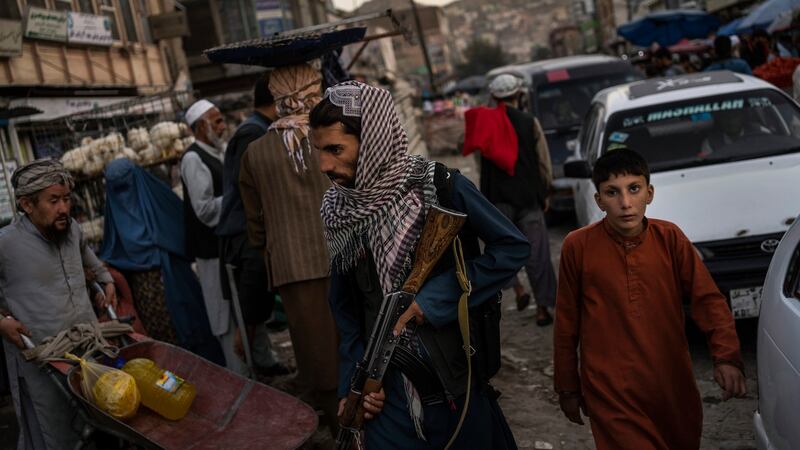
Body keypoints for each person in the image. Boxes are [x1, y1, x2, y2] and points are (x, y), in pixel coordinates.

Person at [315, 80, 527, 449]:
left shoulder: (437, 186)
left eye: (336, 149)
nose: (324, 165)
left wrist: (433, 301)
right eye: (318, 150)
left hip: (454, 384)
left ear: (374, 140)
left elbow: (510, 248)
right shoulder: (339, 212)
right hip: (388, 402)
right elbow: (346, 314)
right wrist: (355, 387)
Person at [553, 148, 746, 450]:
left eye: (634, 189)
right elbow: (566, 323)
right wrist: (567, 387)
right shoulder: (578, 246)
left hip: (671, 386)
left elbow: (708, 300)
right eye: (612, 192)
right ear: (599, 200)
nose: (625, 203)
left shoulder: (670, 239)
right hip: (610, 390)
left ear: (650, 193)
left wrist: (726, 357)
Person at [238, 63, 340, 434]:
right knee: (354, 338)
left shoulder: (255, 153)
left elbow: (255, 223)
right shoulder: (334, 138)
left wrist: (270, 247)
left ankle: (334, 422)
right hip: (344, 254)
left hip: (292, 266)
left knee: (314, 350)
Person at [0, 159, 117, 450]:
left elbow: (90, 259)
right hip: (42, 359)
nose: (63, 208)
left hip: (88, 348)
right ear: (27, 205)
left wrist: (107, 281)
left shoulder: (71, 229)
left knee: (103, 421)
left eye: (66, 199)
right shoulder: (5, 244)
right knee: (55, 432)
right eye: (53, 201)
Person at [100, 158, 224, 364]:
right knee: (168, 338)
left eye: (126, 185)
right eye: (118, 189)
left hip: (164, 282)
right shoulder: (153, 199)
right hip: (152, 287)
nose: (124, 196)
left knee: (184, 335)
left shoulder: (129, 209)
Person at [463, 73, 557, 325]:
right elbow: (542, 161)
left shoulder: (485, 122)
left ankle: (518, 290)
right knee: (538, 254)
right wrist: (545, 191)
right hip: (529, 198)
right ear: (519, 94)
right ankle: (543, 309)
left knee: (500, 250)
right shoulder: (530, 122)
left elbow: (479, 165)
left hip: (498, 201)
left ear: (493, 96)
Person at [216, 74, 288, 377]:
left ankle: (261, 360)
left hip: (250, 226)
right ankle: (249, 360)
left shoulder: (260, 129)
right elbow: (250, 186)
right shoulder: (251, 133)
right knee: (252, 298)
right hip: (244, 229)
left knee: (258, 299)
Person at [180, 99, 240, 370]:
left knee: (239, 311)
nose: (222, 125)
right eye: (216, 121)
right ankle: (239, 376)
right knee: (223, 317)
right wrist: (236, 198)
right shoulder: (193, 159)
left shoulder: (219, 151)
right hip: (210, 251)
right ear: (201, 126)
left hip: (227, 246)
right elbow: (203, 210)